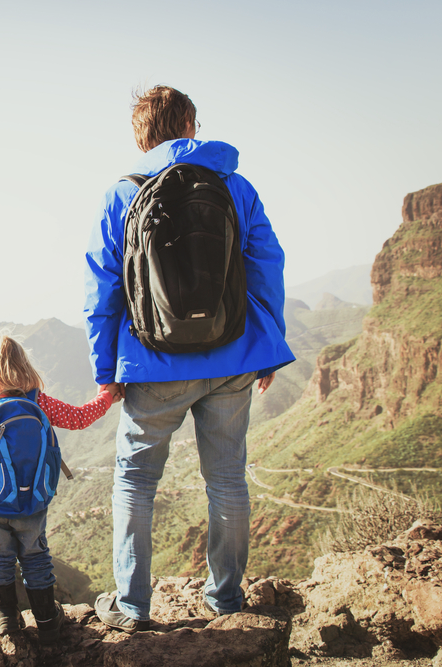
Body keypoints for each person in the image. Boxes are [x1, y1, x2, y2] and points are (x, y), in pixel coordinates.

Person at [83, 85, 295, 633]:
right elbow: (267, 265)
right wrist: (268, 348)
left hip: (152, 363)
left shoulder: (121, 194)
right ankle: (225, 599)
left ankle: (132, 608)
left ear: (141, 136)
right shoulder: (235, 185)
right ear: (189, 126)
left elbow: (102, 290)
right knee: (226, 480)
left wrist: (106, 373)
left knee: (135, 482)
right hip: (232, 356)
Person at [0, 330, 118, 643]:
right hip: (34, 501)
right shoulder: (39, 402)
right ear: (24, 367)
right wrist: (107, 396)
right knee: (36, 558)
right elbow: (79, 418)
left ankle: (7, 622)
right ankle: (48, 621)